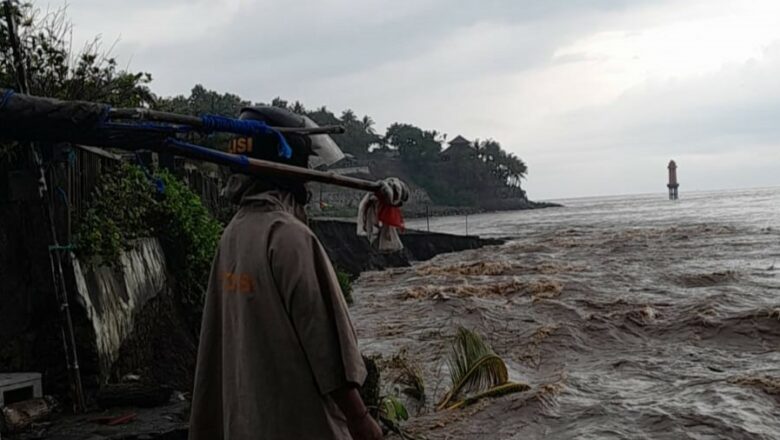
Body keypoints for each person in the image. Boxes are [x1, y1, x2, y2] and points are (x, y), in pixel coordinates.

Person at [189, 106, 383, 440]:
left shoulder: (233, 233)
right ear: (292, 170)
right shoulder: (288, 237)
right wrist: (360, 418)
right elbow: (325, 343)